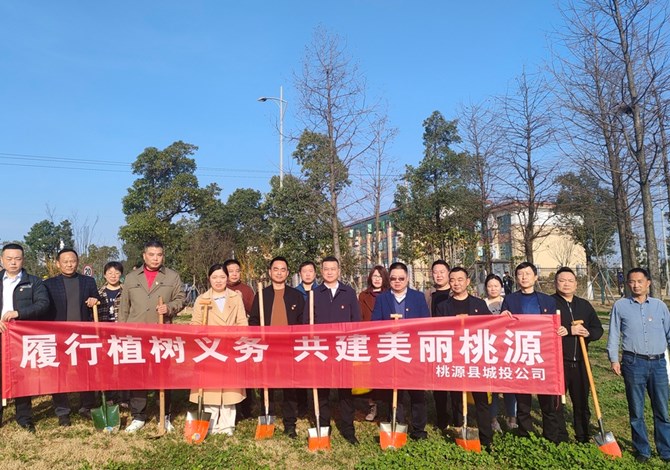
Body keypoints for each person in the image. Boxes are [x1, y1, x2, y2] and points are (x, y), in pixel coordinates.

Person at [118, 240, 185, 433]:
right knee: (137, 375)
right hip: (136, 335)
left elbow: (181, 298)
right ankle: (138, 415)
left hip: (161, 335)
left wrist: (169, 307)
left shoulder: (172, 276)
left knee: (163, 376)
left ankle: (165, 414)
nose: (155, 258)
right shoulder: (131, 278)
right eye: (151, 254)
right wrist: (122, 334)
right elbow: (124, 308)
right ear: (144, 256)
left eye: (159, 255)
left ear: (163, 256)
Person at [607, 268, 670, 463]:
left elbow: (669, 332)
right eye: (632, 282)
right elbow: (614, 333)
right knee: (636, 410)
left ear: (648, 283)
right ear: (628, 284)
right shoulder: (620, 306)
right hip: (633, 362)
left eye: (640, 281)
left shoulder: (659, 306)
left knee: (662, 410)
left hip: (658, 363)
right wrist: (614, 359)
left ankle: (666, 450)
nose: (636, 285)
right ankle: (642, 450)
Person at [501, 262, 568, 444]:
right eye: (520, 274)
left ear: (535, 277)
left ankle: (551, 437)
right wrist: (502, 318)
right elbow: (503, 327)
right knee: (523, 401)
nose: (524, 277)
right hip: (520, 355)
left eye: (528, 274)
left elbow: (554, 325)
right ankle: (525, 435)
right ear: (516, 278)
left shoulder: (548, 301)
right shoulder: (510, 300)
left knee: (548, 399)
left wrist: (560, 329)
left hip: (543, 356)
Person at [434, 267, 494, 448]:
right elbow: (438, 331)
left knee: (481, 399)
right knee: (457, 399)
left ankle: (486, 437)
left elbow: (490, 326)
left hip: (476, 358)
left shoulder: (479, 304)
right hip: (455, 358)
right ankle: (461, 432)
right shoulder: (443, 306)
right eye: (452, 280)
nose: (456, 283)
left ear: (468, 281)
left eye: (460, 279)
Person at [372, 262, 429, 440]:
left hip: (413, 351)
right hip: (392, 349)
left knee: (417, 391)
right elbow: (375, 323)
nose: (397, 281)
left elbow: (425, 323)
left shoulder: (418, 297)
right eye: (393, 278)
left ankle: (419, 429)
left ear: (408, 278)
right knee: (395, 391)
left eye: (401, 278)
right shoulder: (382, 299)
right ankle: (397, 423)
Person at [307, 256, 361, 445]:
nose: (329, 272)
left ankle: (348, 429)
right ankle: (323, 426)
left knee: (345, 391)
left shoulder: (349, 292)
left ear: (339, 271)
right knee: (322, 390)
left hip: (343, 348)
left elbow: (356, 322)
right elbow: (307, 323)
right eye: (326, 269)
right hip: (321, 349)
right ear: (321, 272)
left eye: (333, 269)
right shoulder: (314, 293)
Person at [249, 256, 305, 438]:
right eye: (276, 269)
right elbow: (254, 321)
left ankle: (290, 424)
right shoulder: (261, 295)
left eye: (283, 269)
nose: (279, 273)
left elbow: (302, 323)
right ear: (270, 272)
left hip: (289, 348)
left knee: (290, 386)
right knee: (267, 385)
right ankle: (267, 418)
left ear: (287, 273)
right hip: (267, 347)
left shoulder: (296, 296)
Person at [44, 248, 100, 426]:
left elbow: (96, 299)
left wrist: (94, 300)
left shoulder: (88, 281)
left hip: (83, 334)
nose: (69, 264)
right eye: (65, 261)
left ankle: (87, 406)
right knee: (59, 373)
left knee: (86, 371)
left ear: (77, 262)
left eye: (73, 261)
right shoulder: (49, 284)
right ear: (58, 264)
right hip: (59, 336)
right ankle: (62, 411)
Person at [190, 263, 247, 436]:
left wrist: (236, 336)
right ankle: (212, 423)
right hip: (210, 349)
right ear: (209, 279)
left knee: (230, 387)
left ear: (227, 278)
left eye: (222, 277)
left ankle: (227, 425)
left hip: (230, 347)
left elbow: (242, 322)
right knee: (210, 387)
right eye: (214, 277)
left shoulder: (235, 298)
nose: (218, 281)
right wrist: (201, 333)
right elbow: (194, 324)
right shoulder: (202, 299)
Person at [0, 243, 50, 432]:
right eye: (9, 259)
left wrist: (19, 313)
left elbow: (43, 304)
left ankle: (24, 418)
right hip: (1, 333)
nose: (13, 262)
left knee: (22, 377)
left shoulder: (34, 282)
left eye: (17, 258)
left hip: (22, 337)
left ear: (23, 260)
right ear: (2, 260)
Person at [553, 267, 603, 444]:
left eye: (570, 281)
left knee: (582, 401)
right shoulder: (549, 304)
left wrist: (587, 333)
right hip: (558, 363)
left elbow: (598, 329)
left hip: (581, 362)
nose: (566, 284)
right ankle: (560, 437)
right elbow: (543, 330)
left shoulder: (584, 305)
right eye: (562, 280)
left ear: (576, 284)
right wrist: (568, 330)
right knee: (557, 402)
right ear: (556, 283)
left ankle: (583, 436)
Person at [223, 258, 256, 420]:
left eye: (237, 271)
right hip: (225, 338)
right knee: (228, 372)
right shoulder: (220, 289)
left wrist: (242, 299)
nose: (234, 274)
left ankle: (247, 407)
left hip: (242, 337)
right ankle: (231, 407)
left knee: (244, 371)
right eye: (231, 271)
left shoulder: (246, 290)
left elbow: (254, 311)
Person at [484, 273, 517, 431]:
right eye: (490, 286)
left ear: (501, 287)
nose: (493, 289)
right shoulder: (482, 304)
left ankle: (512, 418)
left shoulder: (508, 302)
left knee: (510, 384)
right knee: (493, 387)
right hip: (489, 349)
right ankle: (493, 419)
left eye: (496, 285)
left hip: (507, 348)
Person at [358, 265, 390, 421]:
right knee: (370, 374)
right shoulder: (363, 296)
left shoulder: (390, 294)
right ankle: (372, 406)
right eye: (374, 276)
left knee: (386, 372)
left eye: (380, 276)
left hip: (385, 338)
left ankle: (390, 407)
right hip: (368, 338)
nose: (377, 279)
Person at [97, 261, 127, 405]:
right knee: (106, 366)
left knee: (124, 365)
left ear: (121, 275)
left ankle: (124, 397)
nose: (113, 276)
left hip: (122, 333)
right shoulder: (98, 293)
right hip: (104, 334)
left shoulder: (126, 291)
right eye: (110, 273)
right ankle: (109, 396)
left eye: (116, 273)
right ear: (104, 275)